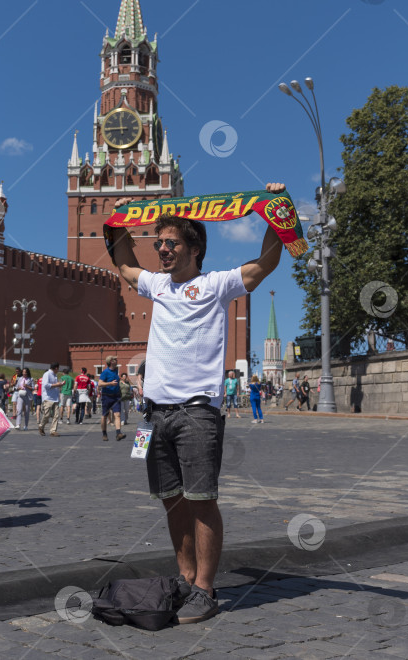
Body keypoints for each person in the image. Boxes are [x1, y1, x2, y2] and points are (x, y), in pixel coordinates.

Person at [107, 182, 284, 624]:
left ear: (194, 248)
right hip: (154, 416)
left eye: (171, 243)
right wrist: (118, 221)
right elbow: (126, 266)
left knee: (201, 499)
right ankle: (185, 579)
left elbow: (264, 264)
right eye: (159, 242)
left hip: (196, 413)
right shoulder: (156, 285)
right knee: (170, 499)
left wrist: (272, 210)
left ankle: (205, 588)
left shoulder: (216, 285)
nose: (162, 250)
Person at [98, 356, 126, 442]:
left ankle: (118, 433)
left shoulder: (116, 371)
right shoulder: (105, 372)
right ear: (111, 361)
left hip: (116, 396)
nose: (117, 360)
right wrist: (110, 383)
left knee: (117, 414)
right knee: (104, 416)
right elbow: (100, 384)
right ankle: (104, 434)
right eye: (115, 360)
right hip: (106, 396)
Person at [39, 362, 65, 437]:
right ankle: (41, 426)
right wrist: (58, 384)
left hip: (55, 397)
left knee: (56, 415)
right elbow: (46, 385)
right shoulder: (47, 374)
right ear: (56, 368)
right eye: (58, 368)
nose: (58, 370)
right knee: (47, 415)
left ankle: (53, 431)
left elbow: (55, 385)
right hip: (48, 397)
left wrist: (60, 384)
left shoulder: (55, 375)